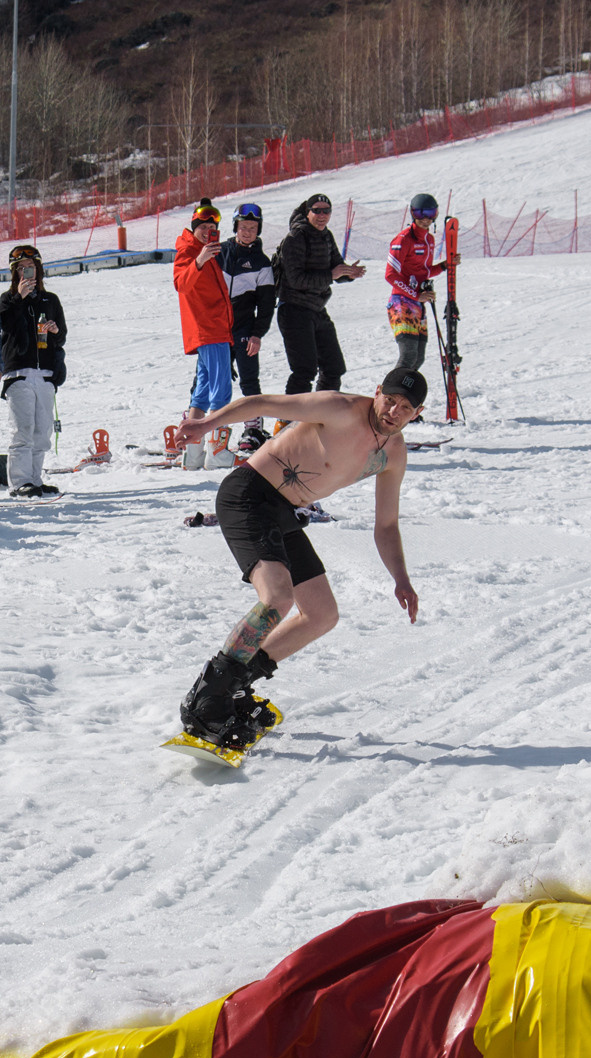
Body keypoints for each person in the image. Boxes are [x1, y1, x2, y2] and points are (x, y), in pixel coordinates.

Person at [168, 367, 428, 753]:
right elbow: (261, 403)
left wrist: (401, 579)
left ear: (416, 412)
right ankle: (207, 699)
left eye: (405, 408)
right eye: (389, 399)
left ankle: (236, 686)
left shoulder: (393, 454)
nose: (393, 411)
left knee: (322, 614)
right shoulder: (339, 407)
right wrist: (208, 424)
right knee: (277, 597)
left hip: (282, 512)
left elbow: (386, 525)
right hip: (248, 495)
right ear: (377, 392)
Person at [275, 193, 365, 417]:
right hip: (294, 309)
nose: (322, 215)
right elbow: (296, 280)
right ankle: (290, 423)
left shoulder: (326, 235)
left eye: (326, 210)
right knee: (304, 371)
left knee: (334, 367)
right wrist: (331, 274)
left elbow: (335, 268)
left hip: (316, 308)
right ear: (307, 212)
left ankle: (320, 418)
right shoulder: (295, 237)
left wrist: (348, 274)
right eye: (317, 210)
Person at [0, 245, 65, 498]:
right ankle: (19, 482)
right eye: (22, 268)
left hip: (45, 373)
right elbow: (2, 326)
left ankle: (35, 478)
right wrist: (19, 299)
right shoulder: (7, 299)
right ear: (15, 273)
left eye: (31, 267)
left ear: (39, 270)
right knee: (22, 429)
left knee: (43, 430)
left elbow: (63, 336)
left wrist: (56, 332)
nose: (28, 272)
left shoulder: (50, 300)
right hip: (19, 372)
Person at [221, 203, 279, 452]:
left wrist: (257, 334)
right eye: (243, 227)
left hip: (244, 328)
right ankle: (199, 424)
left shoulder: (261, 262)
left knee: (248, 378)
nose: (247, 232)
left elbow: (267, 304)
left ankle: (253, 428)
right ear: (235, 227)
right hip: (217, 328)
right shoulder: (219, 252)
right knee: (210, 377)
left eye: (253, 228)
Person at [174, 199, 234, 431]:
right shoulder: (189, 252)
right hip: (209, 329)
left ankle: (194, 445)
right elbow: (181, 284)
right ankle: (217, 445)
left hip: (214, 328)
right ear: (194, 227)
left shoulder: (205, 252)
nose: (208, 232)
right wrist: (200, 260)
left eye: (212, 230)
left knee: (204, 388)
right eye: (203, 228)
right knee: (221, 390)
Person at [386, 194, 454, 374]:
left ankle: (404, 397)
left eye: (430, 213)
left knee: (418, 358)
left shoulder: (429, 240)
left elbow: (422, 272)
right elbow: (391, 275)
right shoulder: (403, 239)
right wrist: (415, 295)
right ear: (412, 214)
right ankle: (386, 398)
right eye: (419, 213)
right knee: (408, 356)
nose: (425, 219)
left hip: (419, 303)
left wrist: (443, 266)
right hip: (402, 302)